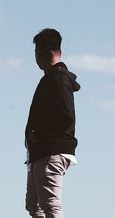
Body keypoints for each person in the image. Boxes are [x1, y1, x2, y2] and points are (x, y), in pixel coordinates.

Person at [24, 28, 81, 218]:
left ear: (39, 53)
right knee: (34, 205)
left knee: (50, 206)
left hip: (50, 151)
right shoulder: (53, 78)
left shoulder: (57, 78)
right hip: (41, 152)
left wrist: (39, 135)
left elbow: (65, 115)